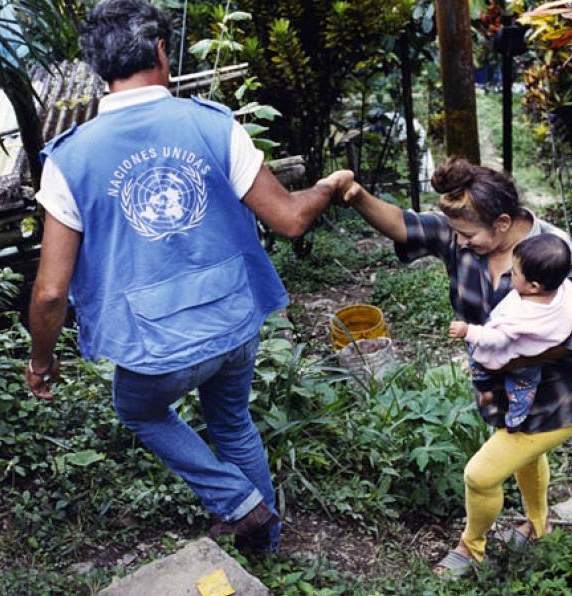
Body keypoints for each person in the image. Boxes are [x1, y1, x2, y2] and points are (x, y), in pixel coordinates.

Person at [24, 0, 353, 553]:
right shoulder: (212, 124)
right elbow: (291, 218)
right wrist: (326, 186)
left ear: (98, 68)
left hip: (154, 342)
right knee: (232, 422)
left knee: (138, 408)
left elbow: (52, 289)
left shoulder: (70, 159)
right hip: (233, 317)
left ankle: (240, 505)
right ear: (159, 52)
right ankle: (265, 545)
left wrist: (41, 359)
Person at [339, 157, 572, 575]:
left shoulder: (554, 255)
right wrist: (356, 196)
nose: (459, 243)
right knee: (523, 456)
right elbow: (403, 225)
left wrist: (499, 353)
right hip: (504, 393)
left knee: (481, 475)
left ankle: (470, 549)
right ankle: (538, 526)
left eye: (467, 236)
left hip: (555, 395)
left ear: (502, 223)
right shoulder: (460, 229)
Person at [448, 234, 572, 430]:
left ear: (533, 286)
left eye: (514, 272)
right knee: (523, 389)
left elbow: (496, 340)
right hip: (534, 359)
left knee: (477, 358)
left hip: (510, 354)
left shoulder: (520, 315)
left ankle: (485, 391)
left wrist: (469, 331)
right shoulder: (569, 293)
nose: (510, 274)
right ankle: (517, 416)